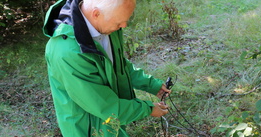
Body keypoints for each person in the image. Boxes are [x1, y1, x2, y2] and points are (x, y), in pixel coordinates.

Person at [43, 0, 171, 136]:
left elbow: (118, 65)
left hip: (113, 117)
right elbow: (104, 106)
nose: (124, 25)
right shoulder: (67, 52)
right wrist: (148, 109)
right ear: (96, 13)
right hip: (89, 128)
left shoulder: (108, 27)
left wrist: (151, 85)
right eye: (119, 22)